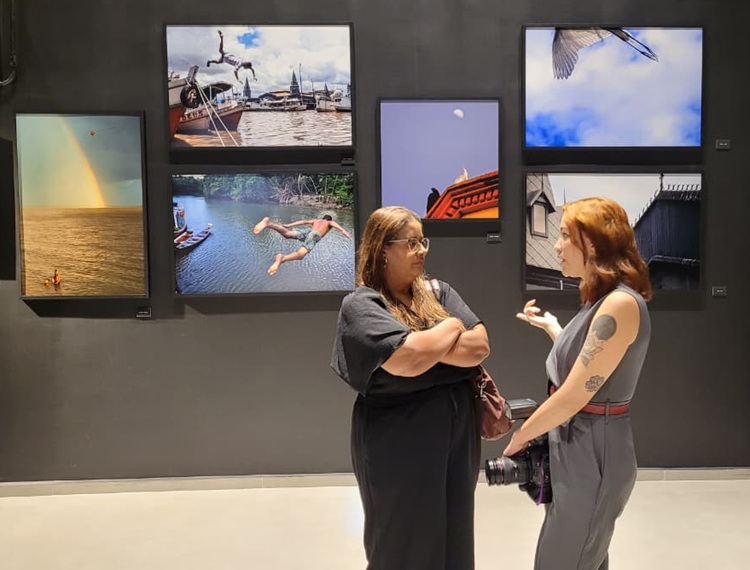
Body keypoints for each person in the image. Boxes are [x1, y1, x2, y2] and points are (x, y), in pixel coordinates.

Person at [331, 206, 490, 570]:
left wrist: (426, 344)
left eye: (423, 241)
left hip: (457, 434)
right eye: (412, 242)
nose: (422, 250)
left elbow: (480, 346)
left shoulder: (438, 291)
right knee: (402, 539)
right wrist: (451, 326)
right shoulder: (362, 304)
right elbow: (409, 359)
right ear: (383, 249)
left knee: (455, 531)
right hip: (398, 439)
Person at [503, 196, 652, 570]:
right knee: (581, 556)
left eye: (566, 236)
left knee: (565, 558)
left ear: (595, 244)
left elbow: (572, 396)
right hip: (579, 442)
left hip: (593, 449)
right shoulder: (600, 302)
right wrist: (554, 329)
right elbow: (590, 367)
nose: (556, 245)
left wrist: (521, 437)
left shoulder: (620, 304)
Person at [252, 214, 352, 275]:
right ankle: (283, 258)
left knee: (287, 234)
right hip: (314, 235)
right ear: (329, 220)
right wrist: (345, 232)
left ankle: (269, 224)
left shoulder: (316, 220)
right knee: (300, 255)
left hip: (308, 231)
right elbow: (338, 226)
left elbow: (303, 221)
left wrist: (289, 225)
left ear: (323, 218)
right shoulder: (329, 222)